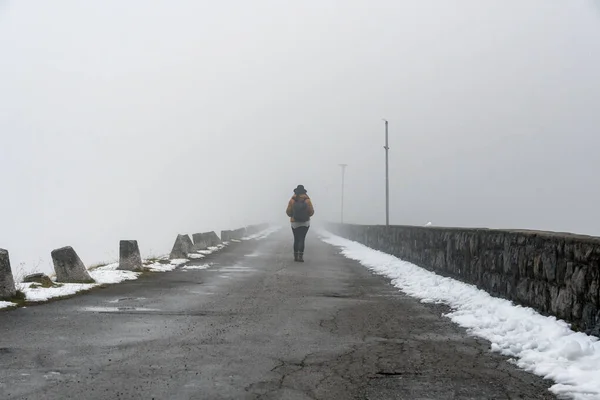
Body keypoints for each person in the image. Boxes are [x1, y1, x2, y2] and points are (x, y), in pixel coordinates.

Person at [286, 185, 315, 262]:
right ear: (304, 191)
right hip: (305, 223)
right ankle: (300, 256)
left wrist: (292, 215)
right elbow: (311, 212)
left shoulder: (292, 200)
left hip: (294, 223)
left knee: (296, 239)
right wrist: (306, 215)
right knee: (302, 239)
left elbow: (288, 212)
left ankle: (295, 256)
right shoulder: (307, 200)